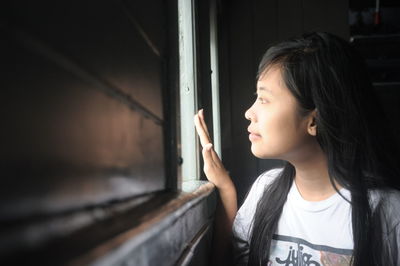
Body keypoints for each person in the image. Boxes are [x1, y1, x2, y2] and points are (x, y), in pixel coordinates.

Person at [194, 32, 400, 266]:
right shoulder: (264, 191)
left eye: (263, 99)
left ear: (314, 121)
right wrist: (226, 191)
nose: (249, 113)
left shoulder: (388, 214)